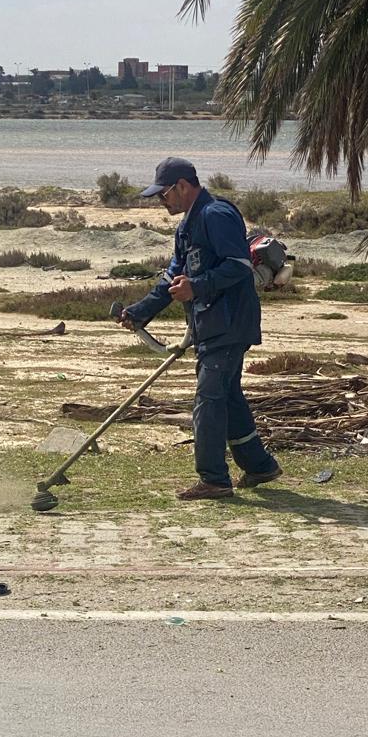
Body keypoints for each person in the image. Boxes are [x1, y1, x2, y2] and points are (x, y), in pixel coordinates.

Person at [117, 156, 282, 501]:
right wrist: (141, 312)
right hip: (209, 325)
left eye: (163, 194)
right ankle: (259, 466)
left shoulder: (216, 215)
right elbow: (172, 279)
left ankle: (214, 479)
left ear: (182, 186)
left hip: (230, 322)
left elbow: (238, 266)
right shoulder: (186, 227)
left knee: (209, 398)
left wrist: (198, 286)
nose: (161, 202)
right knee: (227, 395)